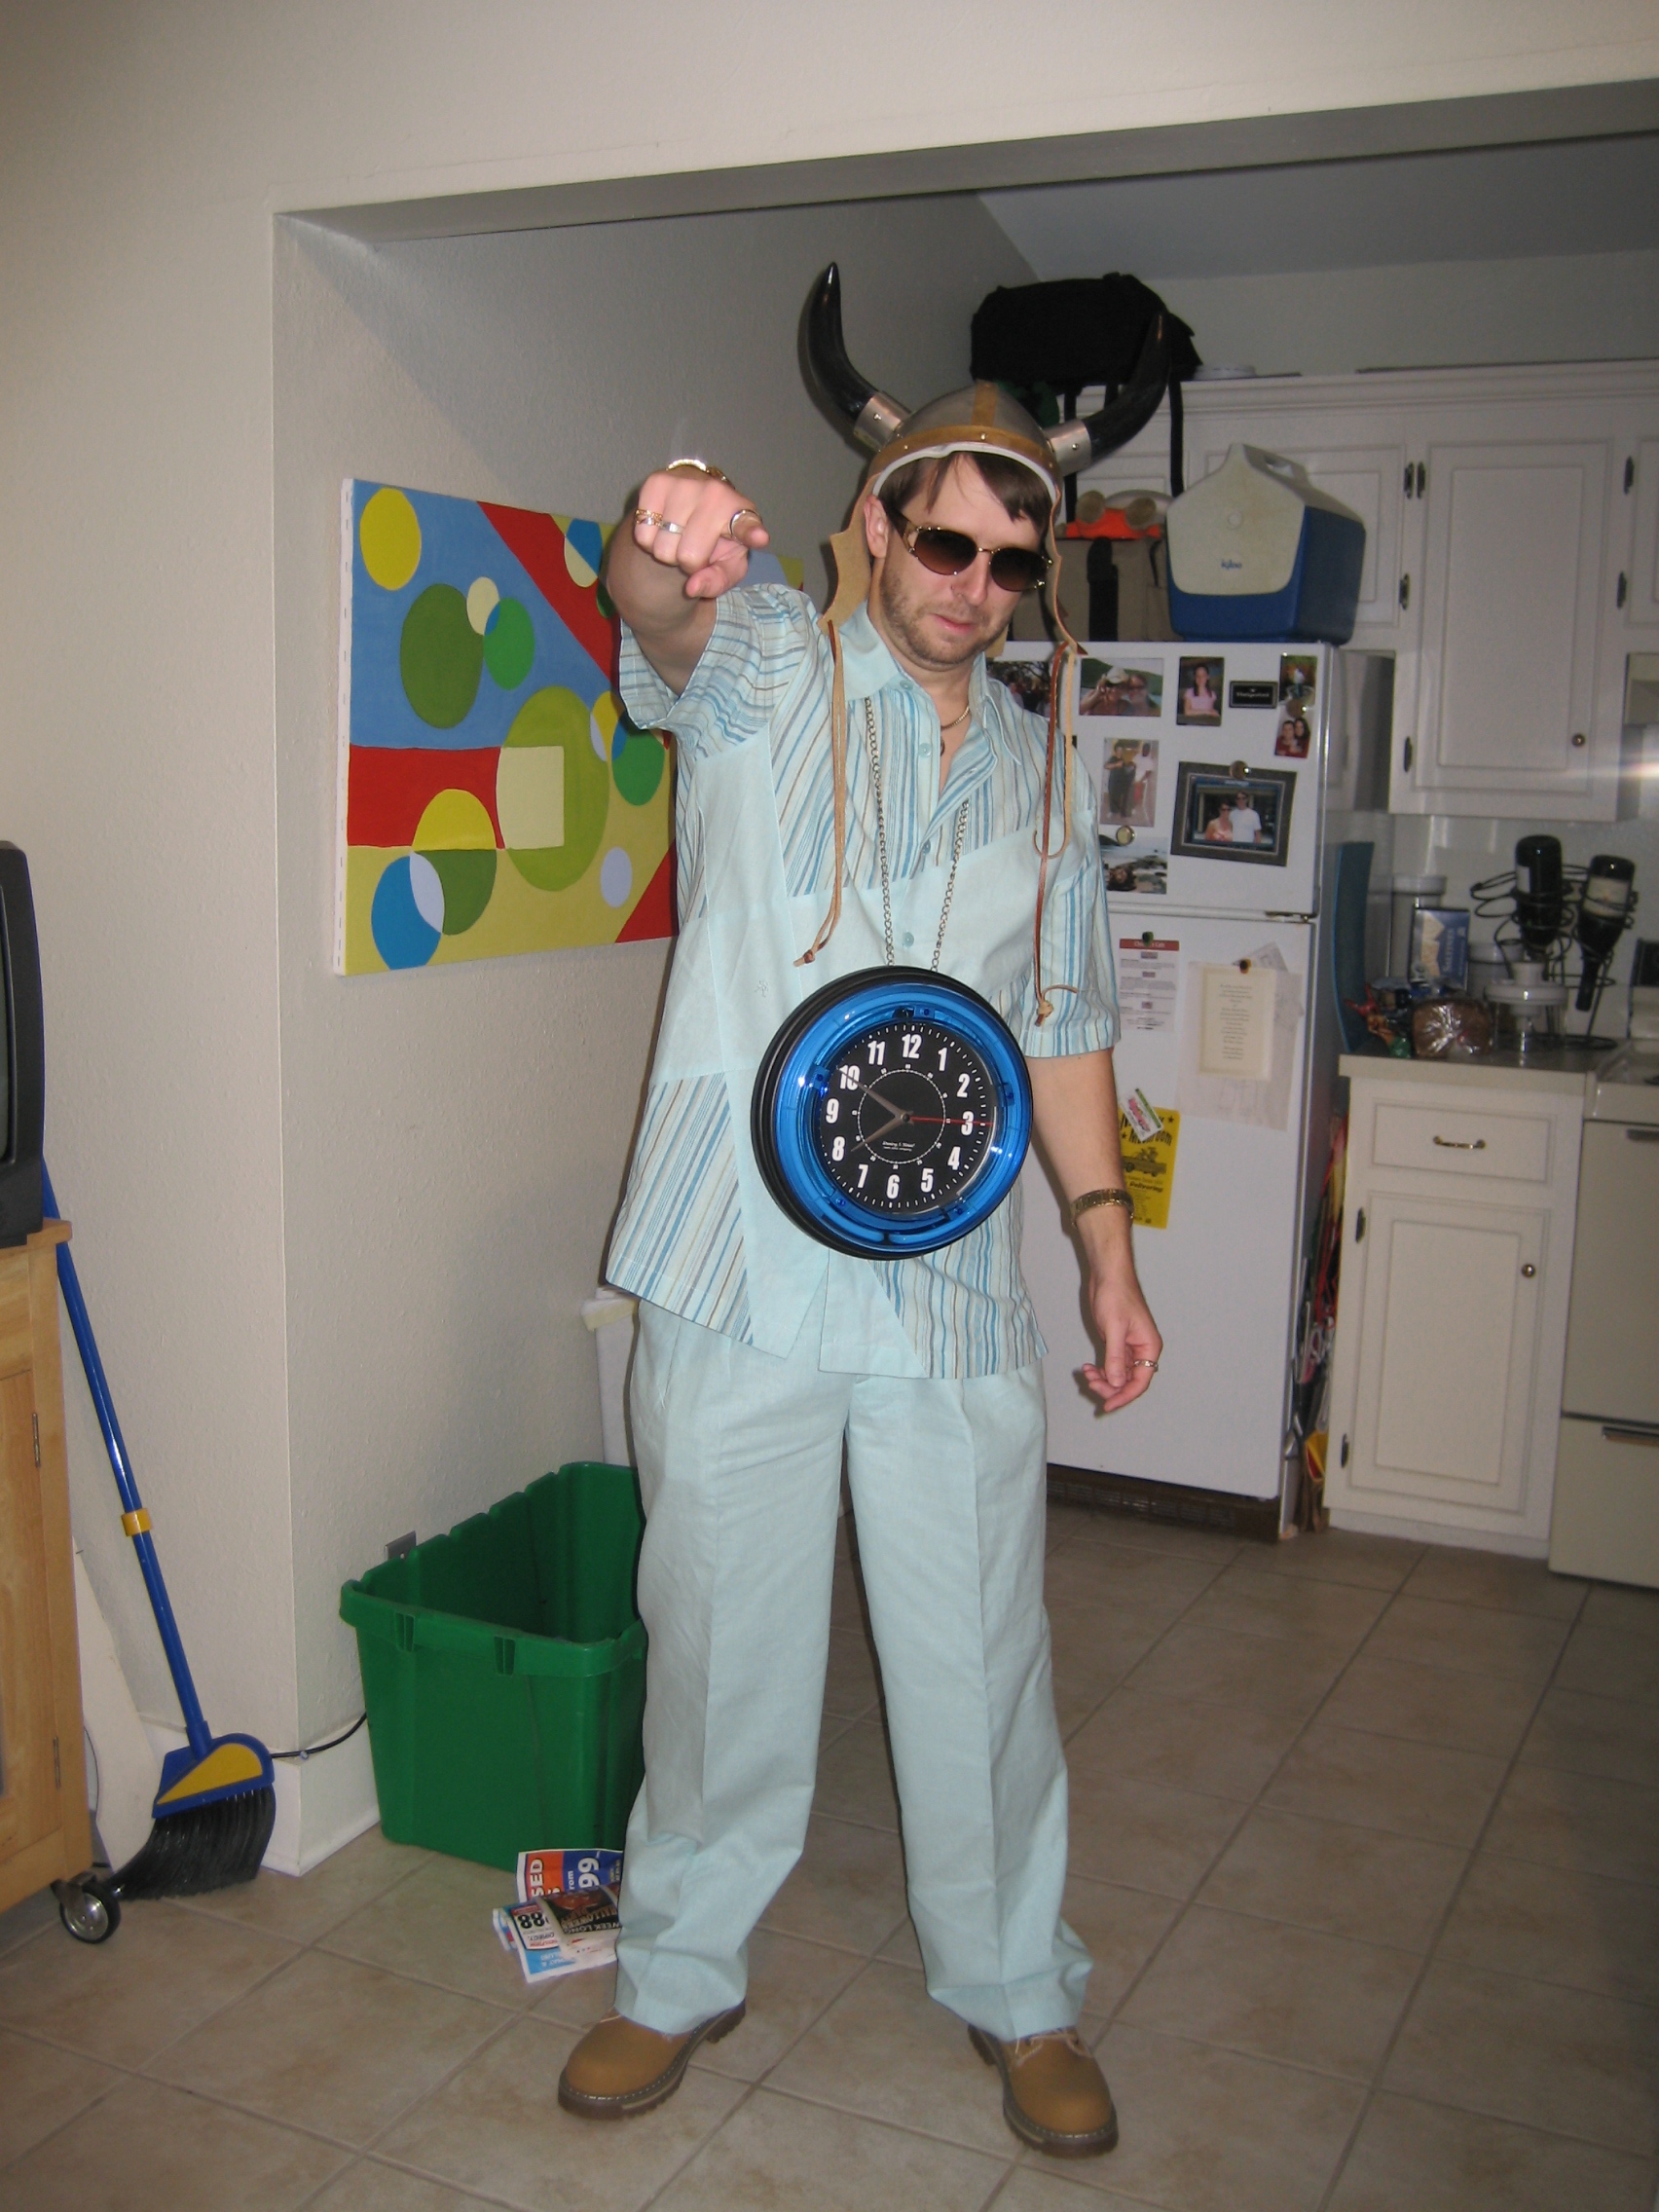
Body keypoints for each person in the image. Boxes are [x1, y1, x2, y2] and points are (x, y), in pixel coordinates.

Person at [556, 270, 1164, 2161]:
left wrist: (1110, 1253)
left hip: (950, 1282)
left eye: (1011, 558)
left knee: (981, 1649)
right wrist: (660, 534)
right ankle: (675, 1970)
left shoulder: (1045, 772)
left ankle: (1020, 1986)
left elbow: (1065, 1026)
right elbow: (655, 612)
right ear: (878, 525)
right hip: (734, 1263)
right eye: (945, 537)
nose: (973, 581)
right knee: (719, 1640)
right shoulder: (764, 672)